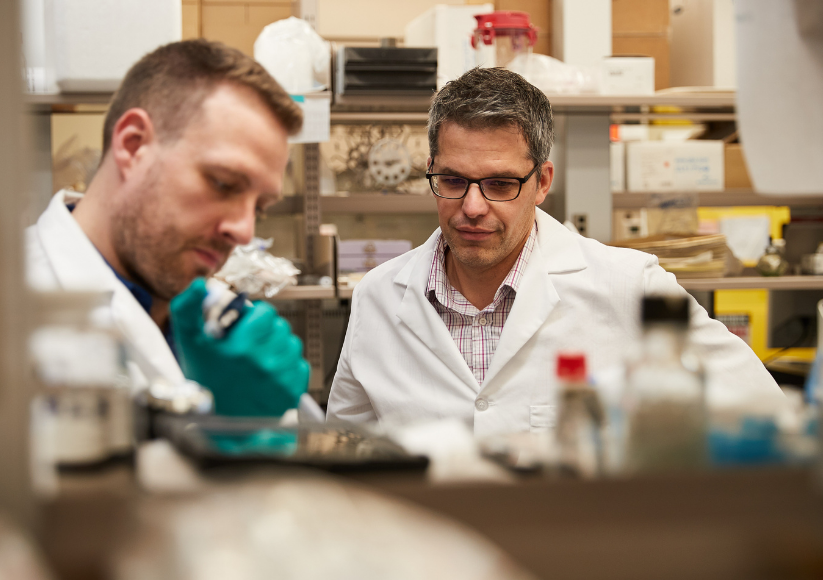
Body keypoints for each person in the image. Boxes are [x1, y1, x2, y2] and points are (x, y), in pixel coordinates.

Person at [326, 67, 784, 435]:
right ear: (430, 171)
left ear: (542, 182)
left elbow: (764, 410)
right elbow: (344, 462)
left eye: (500, 184)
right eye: (452, 180)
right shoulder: (379, 296)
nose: (471, 207)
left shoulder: (629, 285)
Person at [27, 40, 309, 417]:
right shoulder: (8, 305)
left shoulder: (219, 317)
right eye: (223, 183)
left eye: (259, 207)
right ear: (133, 145)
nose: (244, 231)